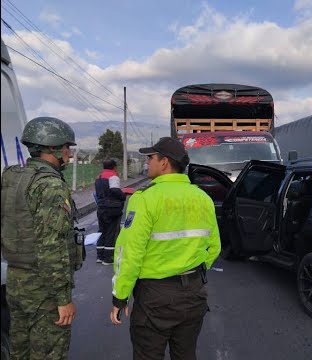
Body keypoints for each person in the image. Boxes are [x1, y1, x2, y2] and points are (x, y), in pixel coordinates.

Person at [109, 137, 221, 360]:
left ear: (164, 162)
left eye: (150, 157)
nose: (147, 163)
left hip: (155, 297)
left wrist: (119, 297)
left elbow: (129, 254)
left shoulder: (145, 199)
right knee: (186, 354)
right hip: (194, 294)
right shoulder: (203, 198)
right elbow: (214, 247)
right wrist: (192, 271)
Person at [1, 116, 84, 359]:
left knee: (20, 349)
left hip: (15, 281)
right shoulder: (50, 185)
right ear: (52, 148)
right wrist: (62, 299)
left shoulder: (11, 177)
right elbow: (51, 246)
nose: (69, 154)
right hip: (43, 289)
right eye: (67, 147)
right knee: (49, 352)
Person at [95, 159, 127, 265]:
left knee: (102, 231)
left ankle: (100, 256)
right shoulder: (113, 177)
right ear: (114, 167)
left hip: (101, 207)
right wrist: (123, 195)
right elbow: (114, 190)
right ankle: (108, 258)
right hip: (112, 208)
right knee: (111, 232)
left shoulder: (99, 177)